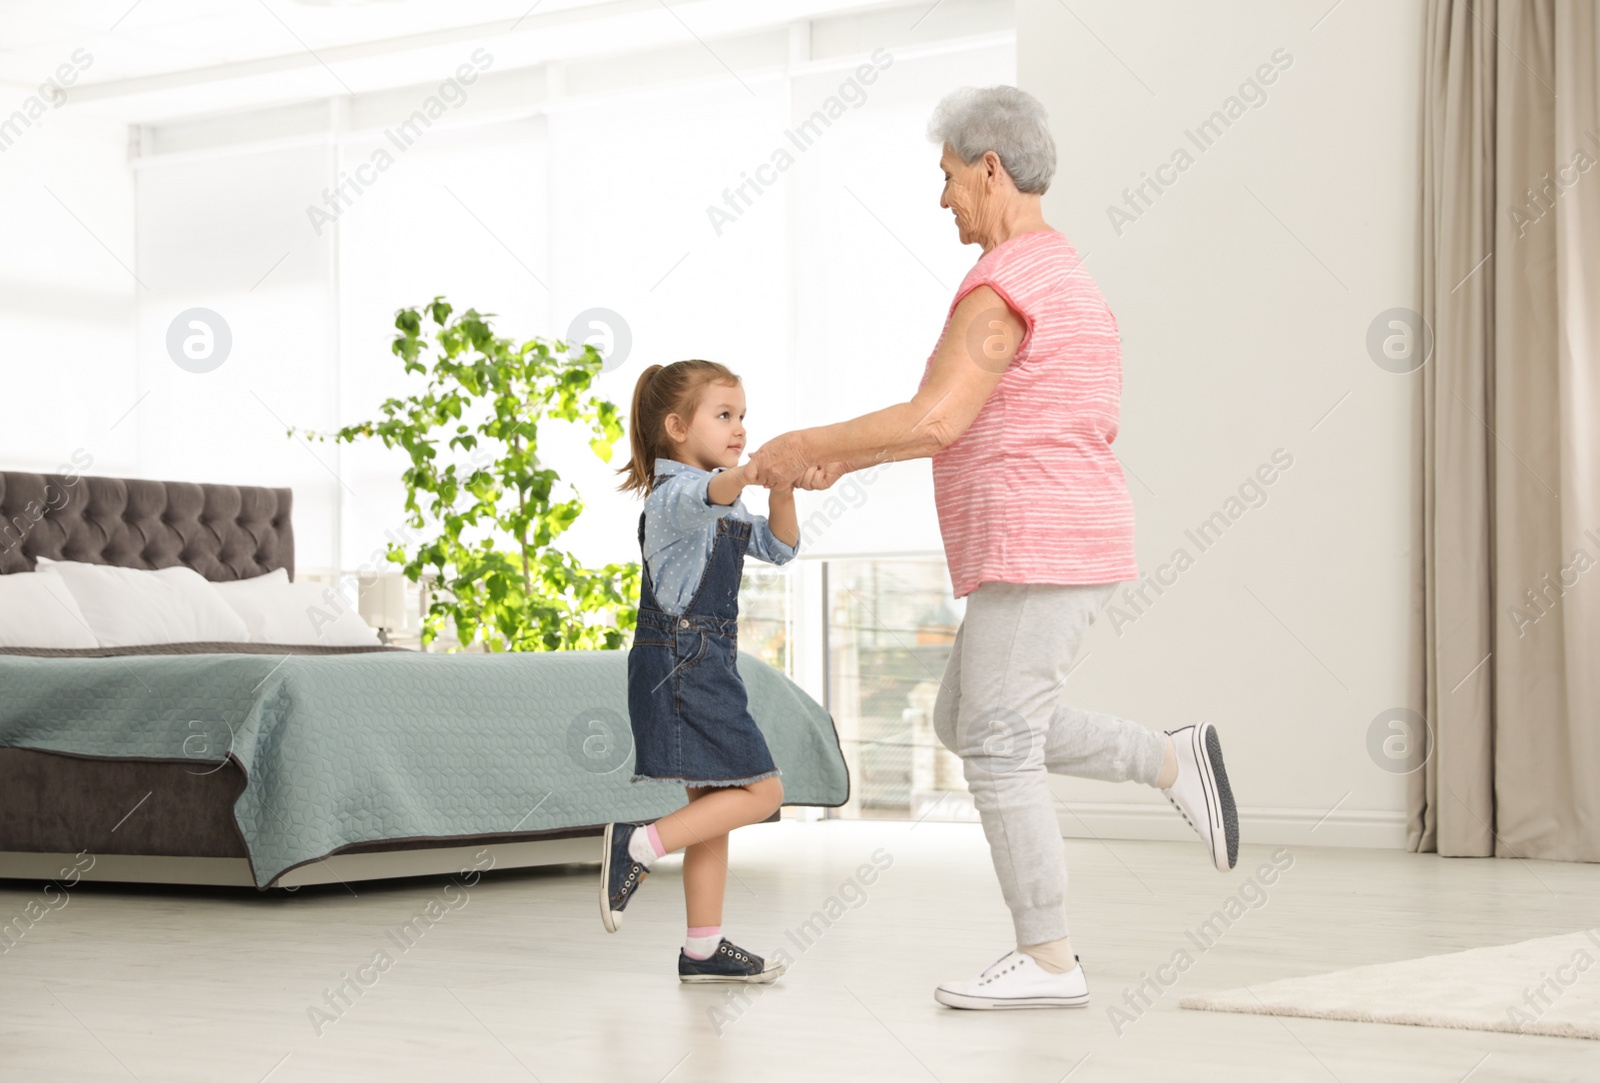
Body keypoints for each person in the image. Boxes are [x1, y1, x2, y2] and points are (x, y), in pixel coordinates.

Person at [743, 85, 1240, 1010]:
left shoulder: (1004, 283)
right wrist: (842, 464)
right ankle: (1171, 759)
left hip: (1039, 540)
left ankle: (1049, 957)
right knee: (964, 721)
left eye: (946, 179)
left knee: (998, 742)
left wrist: (811, 448)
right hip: (1057, 535)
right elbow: (954, 423)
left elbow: (936, 419)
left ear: (989, 168)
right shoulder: (1062, 273)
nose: (942, 201)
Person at [602, 358, 828, 984]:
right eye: (723, 415)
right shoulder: (678, 496)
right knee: (763, 791)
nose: (738, 428)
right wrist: (754, 472)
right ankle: (638, 844)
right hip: (682, 658)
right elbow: (714, 492)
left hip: (704, 657)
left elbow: (780, 548)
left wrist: (780, 488)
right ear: (676, 426)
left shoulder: (722, 498)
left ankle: (701, 949)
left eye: (743, 417)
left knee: (715, 801)